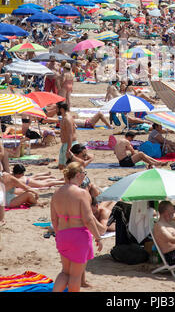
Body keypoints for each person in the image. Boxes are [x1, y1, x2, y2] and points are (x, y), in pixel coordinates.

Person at [50, 162, 102, 292]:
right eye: (84, 173)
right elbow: (88, 219)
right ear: (78, 175)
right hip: (79, 236)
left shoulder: (56, 193)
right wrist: (98, 238)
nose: (84, 176)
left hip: (62, 234)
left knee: (65, 272)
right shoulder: (82, 193)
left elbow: (53, 219)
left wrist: (59, 235)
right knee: (75, 276)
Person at [57, 102, 78, 170]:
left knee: (68, 168)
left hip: (69, 144)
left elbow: (70, 135)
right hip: (65, 144)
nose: (56, 110)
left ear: (61, 109)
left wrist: (68, 149)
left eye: (57, 108)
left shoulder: (67, 119)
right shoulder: (64, 117)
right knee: (61, 166)